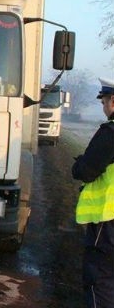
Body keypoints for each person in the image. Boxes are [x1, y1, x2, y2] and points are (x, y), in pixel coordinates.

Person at [72, 77, 114, 308]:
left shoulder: (110, 132)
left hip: (108, 222)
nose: (104, 107)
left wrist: (77, 165)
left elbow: (86, 170)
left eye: (104, 101)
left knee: (99, 279)